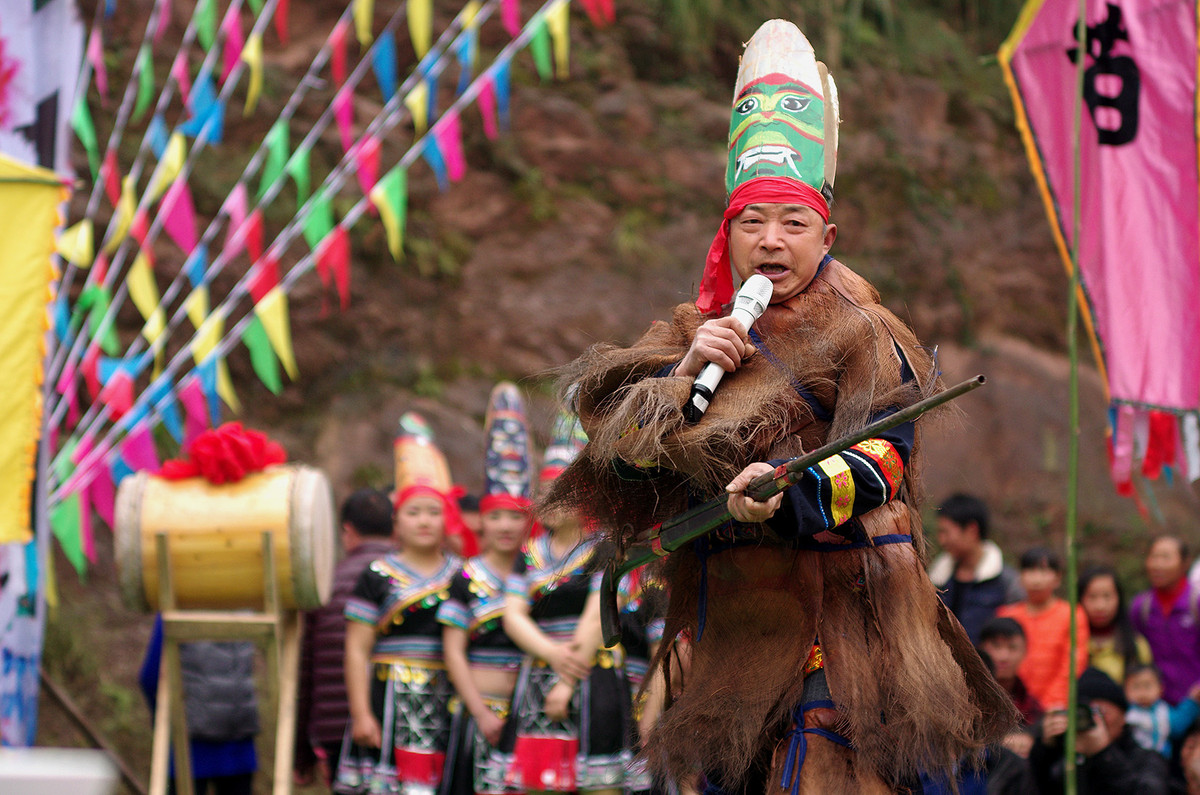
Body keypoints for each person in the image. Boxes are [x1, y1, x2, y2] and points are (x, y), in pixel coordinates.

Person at [540, 18, 1013, 793]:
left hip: (845, 621)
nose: (770, 240)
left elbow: (886, 457)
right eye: (751, 222)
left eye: (793, 223)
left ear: (826, 234)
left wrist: (789, 493)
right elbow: (614, 463)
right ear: (726, 235)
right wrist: (682, 375)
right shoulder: (689, 332)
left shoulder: (863, 328)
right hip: (733, 627)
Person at [503, 412, 630, 795]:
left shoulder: (604, 548)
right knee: (537, 782)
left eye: (564, 489)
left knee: (597, 784)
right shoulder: (528, 554)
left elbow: (597, 616)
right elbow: (513, 615)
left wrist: (566, 678)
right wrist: (551, 655)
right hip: (539, 672)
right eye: (546, 490)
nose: (553, 499)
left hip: (592, 670)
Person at [341, 417, 466, 795]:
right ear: (396, 520)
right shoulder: (376, 575)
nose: (424, 521)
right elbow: (356, 648)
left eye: (433, 512)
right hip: (386, 699)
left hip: (447, 699)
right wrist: (361, 714)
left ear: (447, 519)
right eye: (414, 512)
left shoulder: (464, 576)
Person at [438, 382, 536, 795]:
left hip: (530, 712)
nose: (506, 526)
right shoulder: (465, 577)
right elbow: (453, 651)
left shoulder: (539, 574)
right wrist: (479, 712)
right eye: (496, 517)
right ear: (482, 521)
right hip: (479, 709)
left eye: (515, 517)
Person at [295, 488, 397, 787]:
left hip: (336, 725)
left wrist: (301, 753)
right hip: (402, 721)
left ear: (347, 531)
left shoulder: (325, 584)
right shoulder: (410, 579)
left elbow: (305, 670)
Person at [139, 615, 259, 795]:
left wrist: (163, 724)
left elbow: (150, 678)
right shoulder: (246, 609)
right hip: (239, 751)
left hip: (186, 749)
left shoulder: (176, 607)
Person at [1029, 667, 1169, 794]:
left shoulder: (1146, 759)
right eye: (1085, 715)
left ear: (1123, 717)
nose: (1097, 721)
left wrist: (1104, 754)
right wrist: (1044, 748)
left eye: (1101, 712)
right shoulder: (1064, 758)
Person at [997, 547, 1089, 710]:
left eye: (1043, 571)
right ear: (1021, 577)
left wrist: (1051, 703)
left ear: (1058, 578)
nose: (1036, 579)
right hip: (1013, 705)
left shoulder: (1072, 615)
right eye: (1030, 571)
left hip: (1057, 707)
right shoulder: (1006, 615)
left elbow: (1073, 665)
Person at [929, 493, 1024, 644]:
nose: (942, 540)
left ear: (971, 530)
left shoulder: (1007, 582)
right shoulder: (936, 580)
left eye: (945, 532)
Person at [1131, 536, 1200, 706]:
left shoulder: (1195, 603)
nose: (1157, 565)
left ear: (1185, 563)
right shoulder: (1141, 607)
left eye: (1166, 557)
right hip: (1157, 707)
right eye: (1154, 557)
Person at [979, 617, 1042, 757]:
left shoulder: (1030, 704)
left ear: (1025, 652)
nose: (1004, 657)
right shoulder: (967, 698)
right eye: (996, 647)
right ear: (981, 649)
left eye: (1012, 648)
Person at [1079, 565, 1152, 687]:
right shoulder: (1069, 644)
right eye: (1092, 597)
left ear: (1119, 598)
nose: (1100, 606)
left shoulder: (1136, 646)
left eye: (1107, 596)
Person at [1124, 664, 1200, 759]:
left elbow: (1177, 725)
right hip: (1131, 758)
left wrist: (1192, 701)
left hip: (1160, 760)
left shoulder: (1163, 710)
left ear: (1161, 688)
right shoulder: (1125, 713)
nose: (1142, 692)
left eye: (1147, 686)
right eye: (1136, 687)